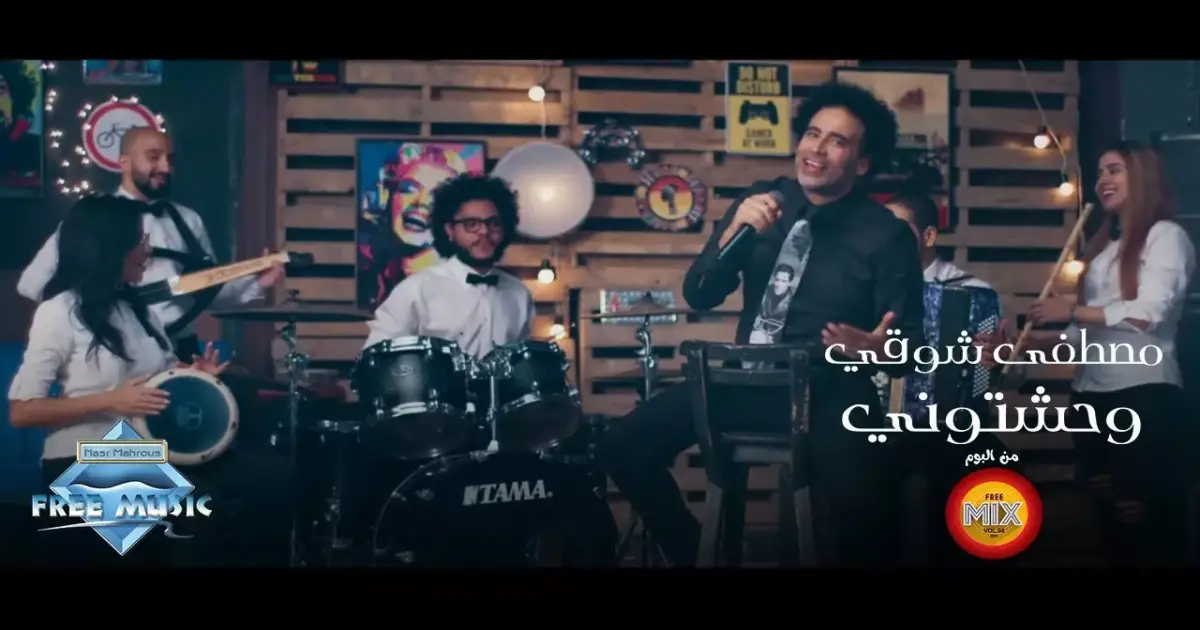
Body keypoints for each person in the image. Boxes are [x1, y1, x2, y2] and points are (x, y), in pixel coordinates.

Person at [595, 81, 927, 567]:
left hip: (830, 388)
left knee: (865, 507)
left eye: (837, 140)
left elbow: (912, 350)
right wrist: (734, 232)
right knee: (620, 446)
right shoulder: (760, 202)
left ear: (862, 163)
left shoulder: (886, 235)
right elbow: (700, 292)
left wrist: (876, 348)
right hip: (741, 382)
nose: (817, 148)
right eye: (812, 133)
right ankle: (692, 554)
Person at [8, 194, 294, 568]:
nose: (148, 251)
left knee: (278, 477)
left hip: (151, 450)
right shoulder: (59, 312)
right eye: (140, 241)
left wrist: (194, 375)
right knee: (197, 505)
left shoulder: (137, 308)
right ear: (110, 247)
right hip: (83, 456)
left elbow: (159, 379)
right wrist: (112, 400)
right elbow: (22, 412)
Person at [986, 141, 1196, 566]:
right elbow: (1083, 336)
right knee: (1106, 518)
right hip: (1090, 398)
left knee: (1143, 519)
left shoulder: (1166, 236)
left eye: (1114, 170)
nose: (1102, 180)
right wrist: (1028, 346)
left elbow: (1150, 313)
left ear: (1142, 175)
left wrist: (1073, 309)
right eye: (1100, 173)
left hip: (1144, 396)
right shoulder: (1102, 252)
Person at [17, 128, 284, 361]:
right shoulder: (95, 218)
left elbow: (209, 292)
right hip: (118, 354)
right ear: (124, 162)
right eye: (154, 157)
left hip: (182, 352)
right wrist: (94, 326)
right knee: (125, 410)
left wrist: (258, 282)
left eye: (170, 159)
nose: (166, 168)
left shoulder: (189, 220)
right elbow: (33, 283)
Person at [882, 192, 1024, 566]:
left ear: (929, 236)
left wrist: (1000, 362)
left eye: (898, 231)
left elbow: (1009, 377)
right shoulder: (869, 288)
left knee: (999, 475)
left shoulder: (975, 293)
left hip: (954, 429)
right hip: (881, 429)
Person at [364, 172, 535, 358]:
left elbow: (522, 364)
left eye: (494, 223)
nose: (484, 231)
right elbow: (377, 358)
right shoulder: (416, 290)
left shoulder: (519, 294)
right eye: (472, 224)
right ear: (450, 230)